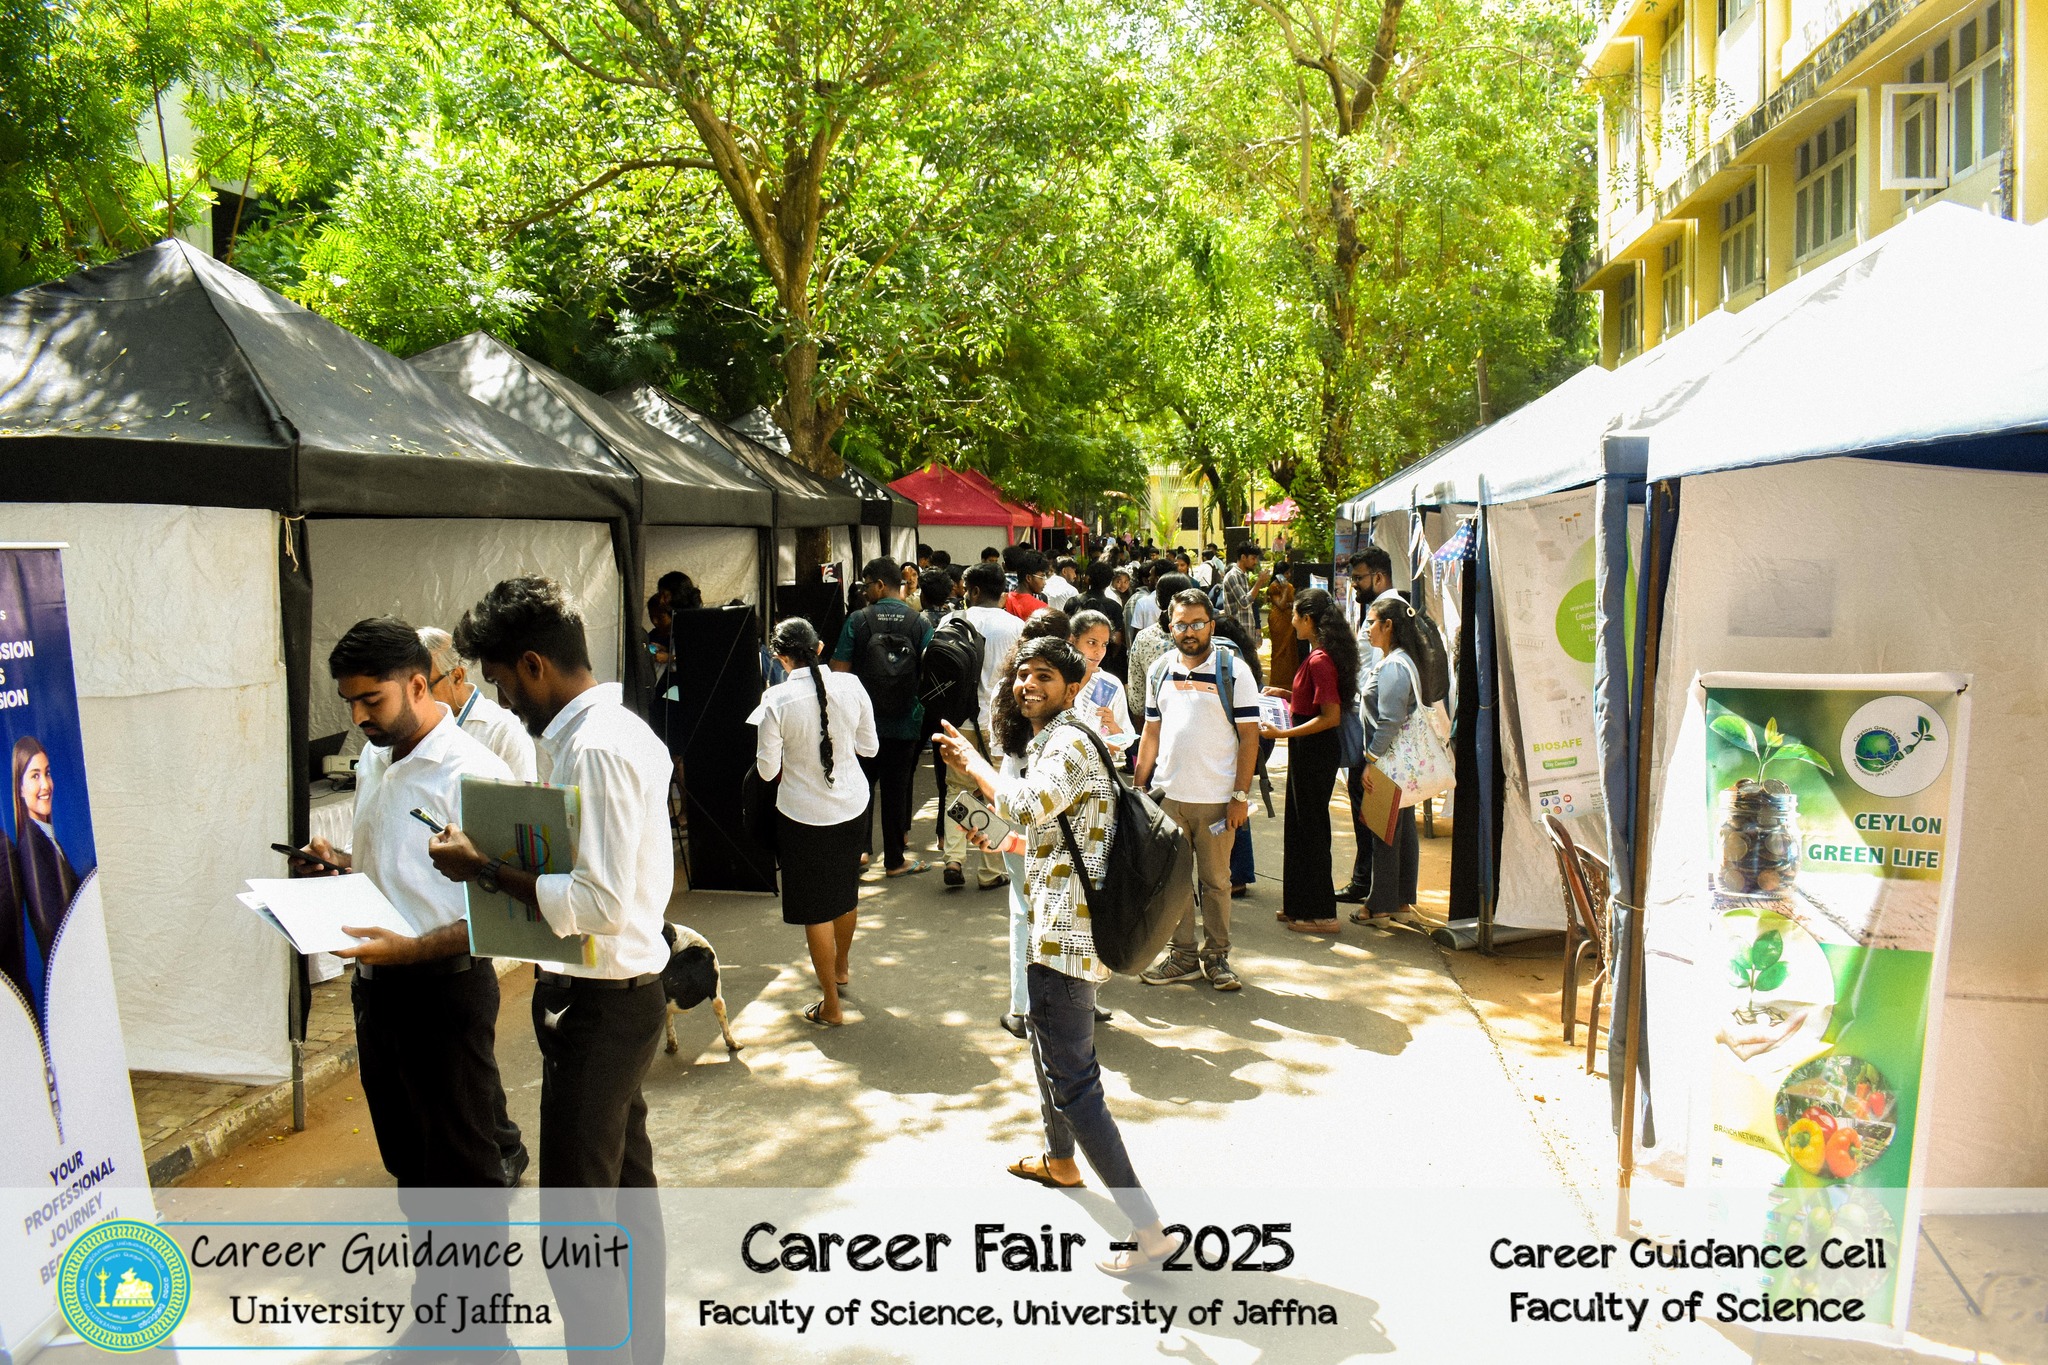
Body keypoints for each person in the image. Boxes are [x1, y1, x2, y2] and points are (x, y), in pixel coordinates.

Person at [428, 576, 670, 1365]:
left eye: (501, 680)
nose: (502, 700)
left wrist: (486, 869)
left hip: (605, 1005)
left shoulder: (596, 745)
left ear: (534, 664)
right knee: (624, 1206)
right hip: (613, 996)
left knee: (575, 1230)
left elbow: (599, 902)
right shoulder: (606, 731)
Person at [936, 637, 1175, 1276]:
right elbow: (1050, 828)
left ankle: (1150, 1232)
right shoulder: (1061, 739)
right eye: (1022, 674)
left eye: (1044, 676)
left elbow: (1024, 802)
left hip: (1067, 939)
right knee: (1048, 1052)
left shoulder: (1067, 741)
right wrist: (1006, 840)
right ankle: (1062, 1160)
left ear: (1073, 687)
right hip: (1058, 927)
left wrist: (974, 765)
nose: (1028, 685)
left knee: (1075, 1082)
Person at [305, 619, 526, 1187]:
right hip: (376, 995)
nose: (357, 716)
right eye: (349, 702)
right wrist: (339, 864)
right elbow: (394, 869)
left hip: (445, 996)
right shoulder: (375, 758)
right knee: (408, 1163)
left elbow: (509, 915)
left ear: (419, 686)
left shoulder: (476, 774)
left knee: (462, 1175)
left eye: (371, 700)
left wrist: (409, 951)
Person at [755, 617, 879, 1024]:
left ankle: (831, 1004)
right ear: (820, 647)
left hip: (802, 815)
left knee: (816, 908)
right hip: (851, 805)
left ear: (779, 657)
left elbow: (766, 771)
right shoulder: (852, 685)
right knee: (845, 891)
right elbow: (870, 748)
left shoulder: (775, 700)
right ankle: (841, 966)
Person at [1134, 590, 1259, 992]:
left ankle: (1217, 957)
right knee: (1174, 883)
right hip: (1169, 799)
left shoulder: (1234, 671)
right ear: (1170, 627)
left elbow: (1250, 737)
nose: (1190, 632)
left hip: (1217, 802)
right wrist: (1140, 787)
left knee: (1217, 882)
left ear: (1212, 625)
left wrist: (1240, 796)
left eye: (1198, 623)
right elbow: (1151, 731)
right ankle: (1183, 955)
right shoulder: (1159, 670)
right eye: (1181, 624)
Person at [986, 608, 1072, 1038]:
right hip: (1061, 808)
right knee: (1070, 904)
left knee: (1023, 911)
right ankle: (1078, 999)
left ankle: (1022, 1008)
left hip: (1014, 798)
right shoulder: (1068, 690)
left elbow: (997, 748)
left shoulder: (1008, 687)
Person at [1259, 589, 1358, 932]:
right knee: (1299, 827)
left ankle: (1322, 915)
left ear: (1308, 620)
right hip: (1307, 749)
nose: (1291, 621)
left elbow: (1330, 716)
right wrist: (1285, 694)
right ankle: (1299, 905)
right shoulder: (1317, 655)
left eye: (1295, 616)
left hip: (1315, 751)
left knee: (1312, 830)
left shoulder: (1320, 659)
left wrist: (1283, 733)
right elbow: (1311, 702)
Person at [832, 557, 932, 877]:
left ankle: (860, 851)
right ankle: (895, 861)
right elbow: (931, 670)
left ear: (879, 584)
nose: (864, 591)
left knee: (860, 786)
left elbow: (839, 671)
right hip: (905, 722)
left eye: (867, 585)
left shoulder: (858, 620)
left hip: (862, 724)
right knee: (895, 790)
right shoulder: (919, 623)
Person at [944, 562, 1024, 890]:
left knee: (957, 788)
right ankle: (991, 870)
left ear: (973, 591)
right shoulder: (1016, 626)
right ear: (1001, 593)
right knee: (996, 791)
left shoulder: (952, 620)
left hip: (959, 720)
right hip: (999, 722)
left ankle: (954, 858)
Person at [1337, 547, 1403, 903]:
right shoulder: (1384, 608)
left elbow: (1382, 674)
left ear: (1378, 577)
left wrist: (1373, 753)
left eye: (1359, 578)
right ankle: (1374, 886)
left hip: (1376, 731)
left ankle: (1370, 887)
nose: (1354, 585)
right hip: (1373, 726)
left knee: (1372, 813)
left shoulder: (1386, 612)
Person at [1358, 596, 1425, 925]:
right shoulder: (1401, 661)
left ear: (1388, 626)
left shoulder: (1395, 666)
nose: (1367, 629)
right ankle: (1399, 901)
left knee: (1384, 831)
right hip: (1398, 761)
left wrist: (1371, 758)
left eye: (1372, 622)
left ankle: (1379, 906)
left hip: (1388, 760)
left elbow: (1390, 720)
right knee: (1400, 829)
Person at [10, 737, 82, 1016]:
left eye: (47, 773)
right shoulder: (31, 845)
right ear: (20, 788)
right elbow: (53, 930)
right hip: (71, 986)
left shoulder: (46, 838)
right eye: (34, 776)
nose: (45, 785)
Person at [420, 627, 537, 781]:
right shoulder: (412, 730)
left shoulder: (503, 731)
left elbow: (523, 795)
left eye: (425, 688)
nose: (417, 698)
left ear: (457, 677)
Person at [1122, 572, 1189, 732]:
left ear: (1158, 601)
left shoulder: (1144, 638)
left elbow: (1137, 699)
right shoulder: (1200, 637)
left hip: (1155, 727)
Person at [1067, 610, 1134, 756]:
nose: (1099, 651)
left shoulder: (1110, 684)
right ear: (1072, 640)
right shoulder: (1059, 679)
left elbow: (1127, 737)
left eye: (1104, 644)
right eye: (1092, 643)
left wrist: (1113, 726)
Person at [1073, 560, 1127, 680]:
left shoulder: (1073, 602)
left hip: (1075, 662)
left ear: (1088, 579)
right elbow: (1117, 640)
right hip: (1104, 663)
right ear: (1109, 582)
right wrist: (1109, 656)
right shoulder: (1114, 607)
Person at [1221, 544, 1267, 650]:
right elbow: (1245, 602)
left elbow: (1251, 606)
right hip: (1237, 634)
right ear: (1243, 557)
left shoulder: (1243, 576)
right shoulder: (1233, 576)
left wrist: (1257, 631)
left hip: (1246, 634)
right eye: (1253, 558)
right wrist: (1259, 582)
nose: (1256, 562)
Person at [1266, 573, 1300, 701]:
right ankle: (1277, 683)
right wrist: (1285, 590)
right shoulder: (1274, 586)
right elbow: (1280, 604)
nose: (1289, 575)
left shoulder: (1289, 586)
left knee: (1290, 651)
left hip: (1288, 621)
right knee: (1279, 652)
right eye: (1286, 573)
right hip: (1278, 621)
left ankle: (1290, 684)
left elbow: (1291, 603)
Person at [1003, 550, 1051, 620]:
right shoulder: (1042, 609)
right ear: (1029, 578)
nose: (1044, 582)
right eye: (1041, 577)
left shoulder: (1005, 600)